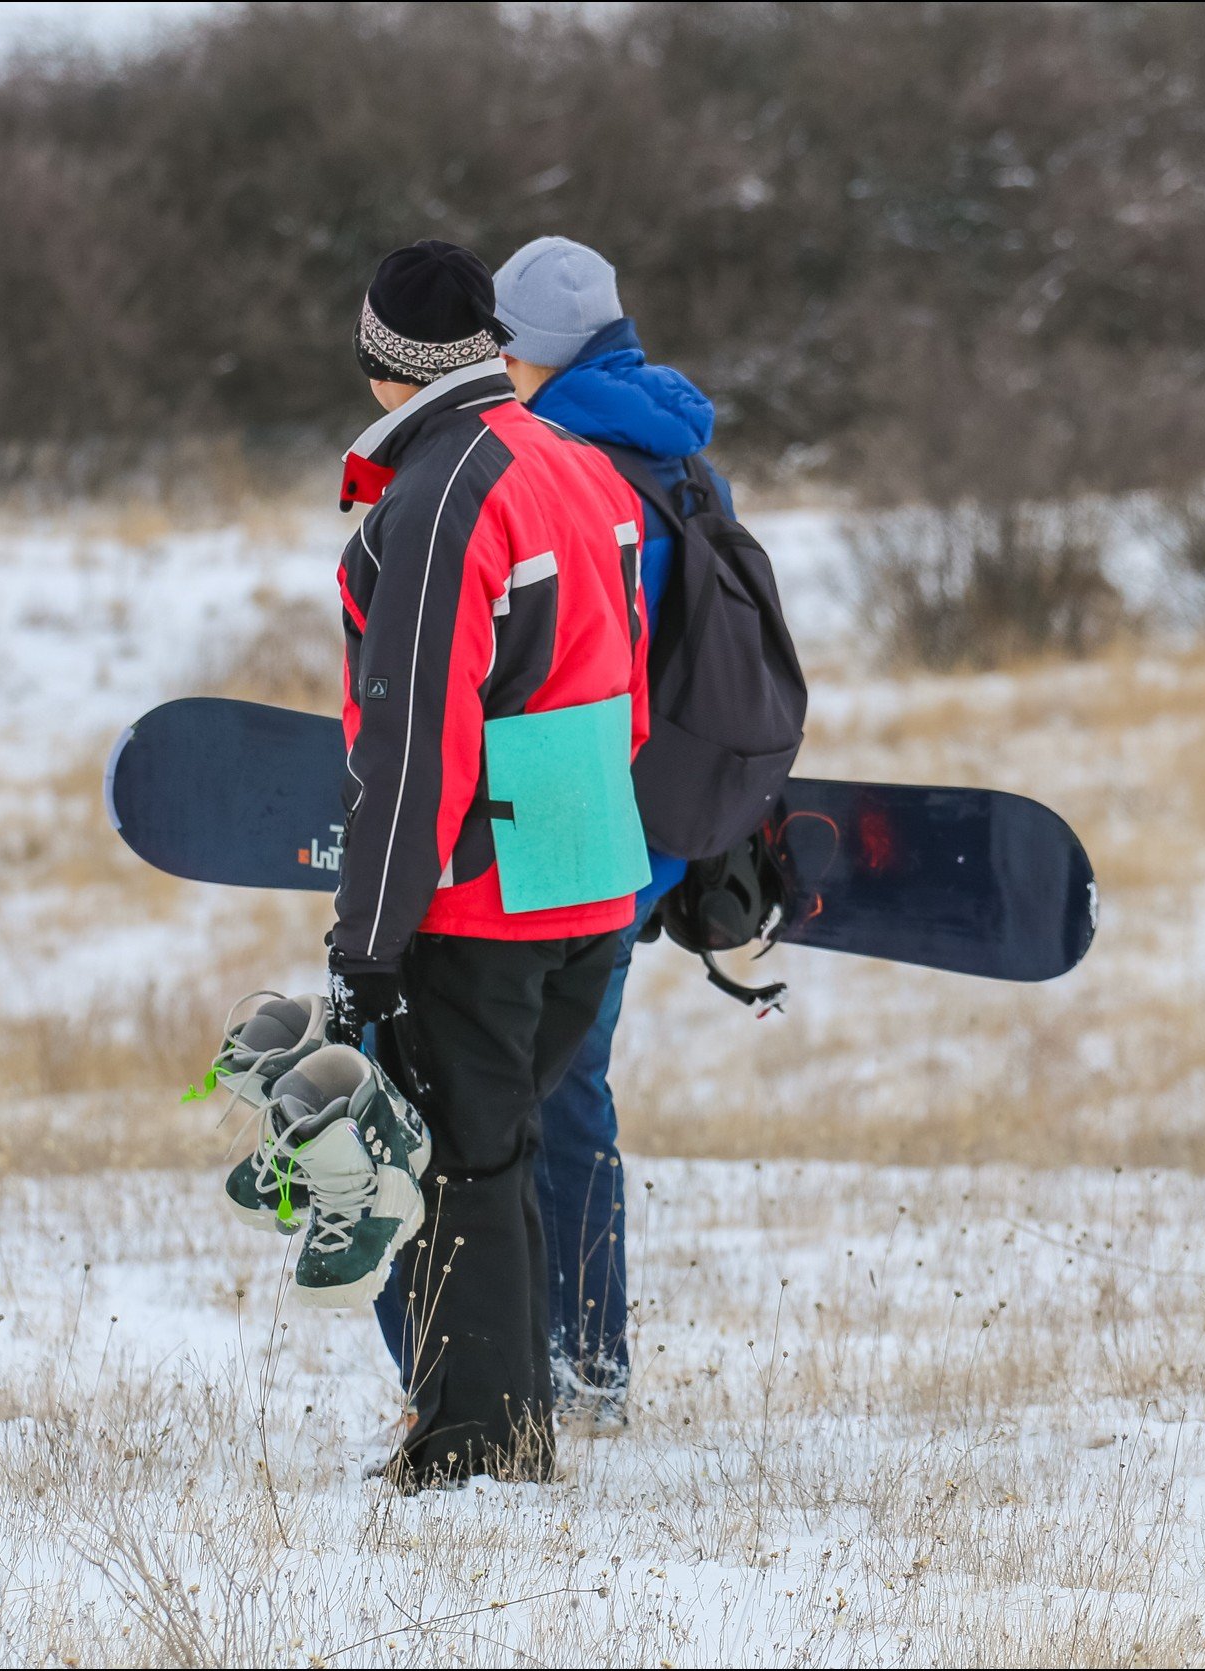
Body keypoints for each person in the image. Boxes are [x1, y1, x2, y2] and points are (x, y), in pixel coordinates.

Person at [372, 235, 736, 1435]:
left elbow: (460, 704)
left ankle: (505, 1405)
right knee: (552, 1113)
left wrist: (397, 897)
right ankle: (579, 1364)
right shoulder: (675, 452)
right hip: (617, 825)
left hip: (523, 838)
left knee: (480, 1137)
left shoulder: (528, 465)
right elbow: (631, 677)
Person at [321, 240, 652, 1489]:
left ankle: (473, 1453)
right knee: (496, 1149)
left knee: (452, 1166)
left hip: (480, 891)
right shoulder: (575, 466)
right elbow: (622, 694)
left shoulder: (440, 494)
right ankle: (506, 1430)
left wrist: (370, 938)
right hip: (586, 870)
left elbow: (417, 741)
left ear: (375, 364)